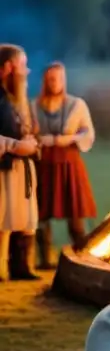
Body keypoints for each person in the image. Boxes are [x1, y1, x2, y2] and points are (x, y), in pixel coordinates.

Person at [32, 62, 98, 266]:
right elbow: (28, 131)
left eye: (59, 79)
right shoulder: (34, 106)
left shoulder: (76, 105)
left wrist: (68, 139)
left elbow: (88, 132)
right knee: (41, 214)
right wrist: (43, 140)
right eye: (51, 79)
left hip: (69, 163)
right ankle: (45, 259)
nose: (55, 83)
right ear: (45, 81)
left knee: (75, 213)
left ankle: (82, 257)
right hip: (43, 163)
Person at [0, 44, 40, 282]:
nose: (26, 72)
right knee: (3, 220)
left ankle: (20, 267)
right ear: (7, 68)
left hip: (20, 169)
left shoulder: (16, 99)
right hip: (3, 169)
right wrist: (14, 146)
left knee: (22, 219)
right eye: (22, 66)